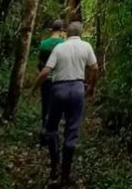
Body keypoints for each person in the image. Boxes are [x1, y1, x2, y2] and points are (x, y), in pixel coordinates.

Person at [33, 20, 98, 186]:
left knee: (51, 128)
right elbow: (95, 68)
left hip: (58, 89)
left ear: (66, 33)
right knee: (72, 130)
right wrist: (91, 86)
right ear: (81, 33)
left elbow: (46, 71)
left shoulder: (59, 48)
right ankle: (65, 174)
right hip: (77, 89)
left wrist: (34, 87)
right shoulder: (86, 47)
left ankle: (54, 167)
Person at [37, 19, 67, 128]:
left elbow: (40, 63)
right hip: (60, 80)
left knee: (45, 105)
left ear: (51, 30)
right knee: (58, 107)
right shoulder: (64, 44)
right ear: (62, 30)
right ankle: (54, 130)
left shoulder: (43, 44)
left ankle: (44, 129)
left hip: (46, 79)